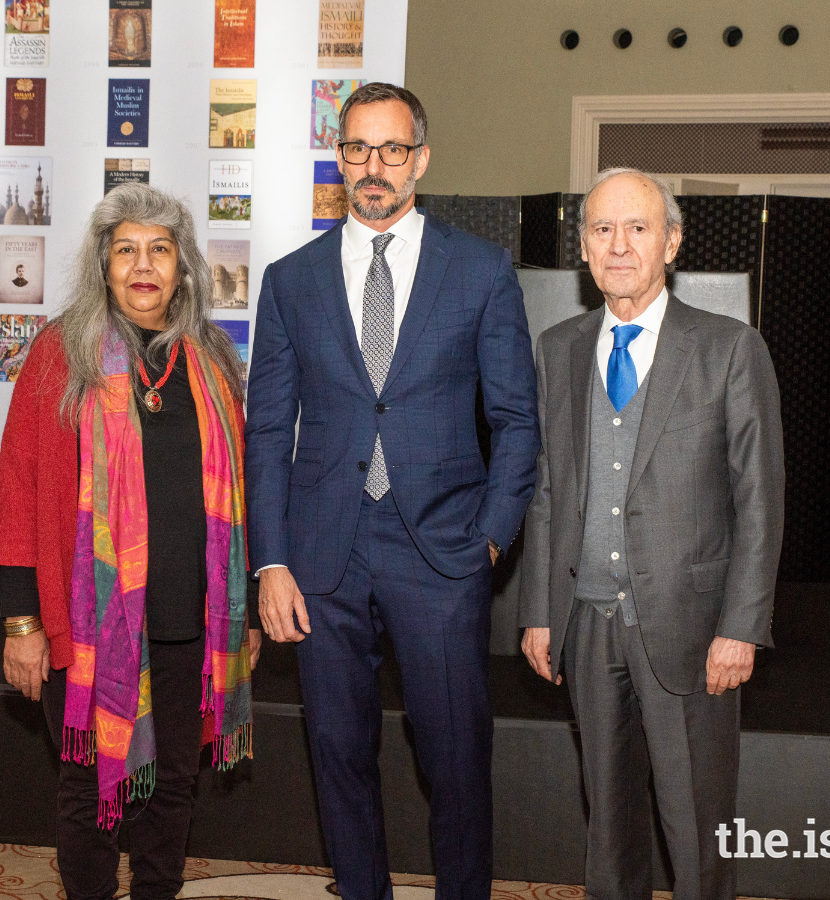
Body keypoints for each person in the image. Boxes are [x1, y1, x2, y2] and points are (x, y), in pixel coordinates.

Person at [246, 83, 540, 900]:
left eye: (393, 150)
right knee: (338, 755)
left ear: (422, 159)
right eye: (357, 150)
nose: (374, 169)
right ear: (338, 156)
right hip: (321, 559)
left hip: (442, 555)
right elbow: (267, 432)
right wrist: (269, 561)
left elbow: (517, 419)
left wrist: (488, 537)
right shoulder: (290, 279)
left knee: (455, 759)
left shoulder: (479, 271)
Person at [0, 182, 261, 900]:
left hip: (190, 629)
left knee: (171, 789)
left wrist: (248, 615)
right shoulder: (60, 354)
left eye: (160, 250)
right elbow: (18, 490)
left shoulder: (212, 361)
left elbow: (244, 496)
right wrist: (21, 623)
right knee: (90, 796)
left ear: (184, 267)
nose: (144, 266)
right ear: (103, 265)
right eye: (126, 250)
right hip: (86, 630)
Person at [519, 168, 784, 900]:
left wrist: (741, 627)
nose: (620, 245)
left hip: (693, 631)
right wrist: (541, 609)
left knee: (697, 832)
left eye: (638, 228)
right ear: (582, 248)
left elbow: (760, 501)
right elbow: (548, 489)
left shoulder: (729, 348)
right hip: (588, 621)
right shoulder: (560, 348)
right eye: (602, 230)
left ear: (671, 241)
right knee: (609, 824)